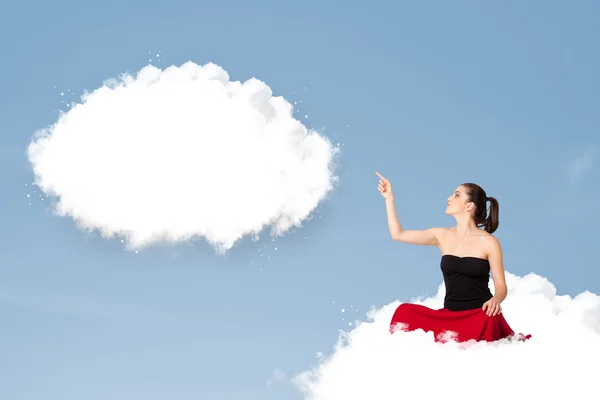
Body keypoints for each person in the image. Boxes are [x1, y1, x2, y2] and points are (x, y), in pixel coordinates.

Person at [376, 172, 530, 343]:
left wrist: (495, 300)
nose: (449, 198)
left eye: (456, 195)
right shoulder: (441, 235)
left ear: (469, 205)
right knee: (404, 311)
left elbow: (501, 286)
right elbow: (398, 234)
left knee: (490, 320)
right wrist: (388, 198)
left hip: (480, 315)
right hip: (449, 316)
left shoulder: (489, 242)